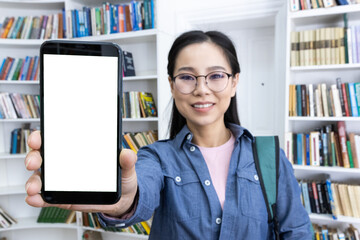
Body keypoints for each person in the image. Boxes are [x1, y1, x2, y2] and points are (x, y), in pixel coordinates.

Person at [25, 30, 312, 239]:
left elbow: (297, 232)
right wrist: (123, 201)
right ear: (172, 86)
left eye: (216, 75)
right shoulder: (156, 157)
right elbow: (139, 193)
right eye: (187, 77)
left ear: (234, 82)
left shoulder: (269, 156)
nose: (201, 89)